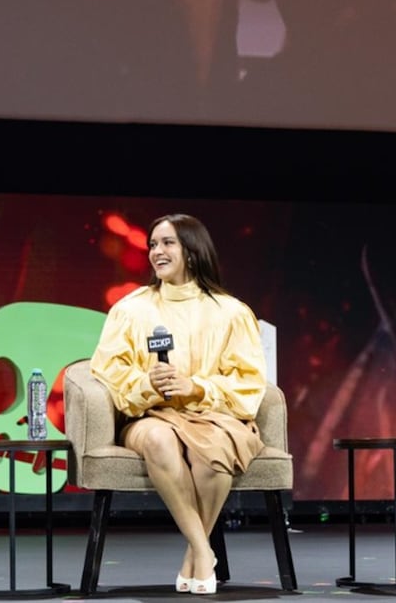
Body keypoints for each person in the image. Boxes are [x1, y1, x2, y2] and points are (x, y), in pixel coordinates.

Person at [89, 213, 267, 595]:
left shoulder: (231, 312)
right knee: (158, 440)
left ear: (192, 249)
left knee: (215, 451)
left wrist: (196, 387)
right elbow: (108, 373)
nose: (157, 251)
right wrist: (145, 384)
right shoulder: (131, 309)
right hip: (153, 416)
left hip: (212, 416)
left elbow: (248, 383)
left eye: (167, 243)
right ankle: (204, 551)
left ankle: (194, 552)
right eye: (153, 244)